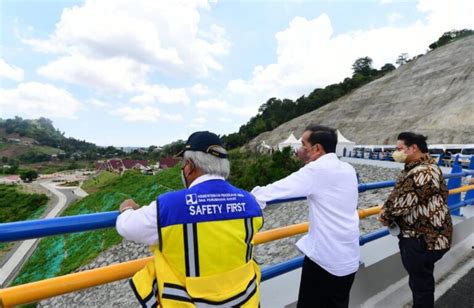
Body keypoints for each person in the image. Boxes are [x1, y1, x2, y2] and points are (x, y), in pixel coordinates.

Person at [116, 131, 263, 307]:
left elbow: (126, 227)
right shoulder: (250, 201)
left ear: (190, 166)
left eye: (184, 164)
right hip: (245, 301)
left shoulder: (170, 205)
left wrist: (127, 209)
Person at [251, 125, 360, 308]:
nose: (299, 149)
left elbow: (275, 190)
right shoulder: (347, 168)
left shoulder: (317, 170)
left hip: (325, 261)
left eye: (303, 144)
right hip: (349, 256)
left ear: (317, 149)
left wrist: (248, 198)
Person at [379, 132, 452, 308]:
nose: (396, 153)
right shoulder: (430, 166)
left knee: (421, 285)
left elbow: (403, 202)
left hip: (422, 239)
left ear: (413, 148)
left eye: (399, 149)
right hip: (432, 237)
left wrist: (385, 215)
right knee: (422, 280)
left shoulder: (421, 172)